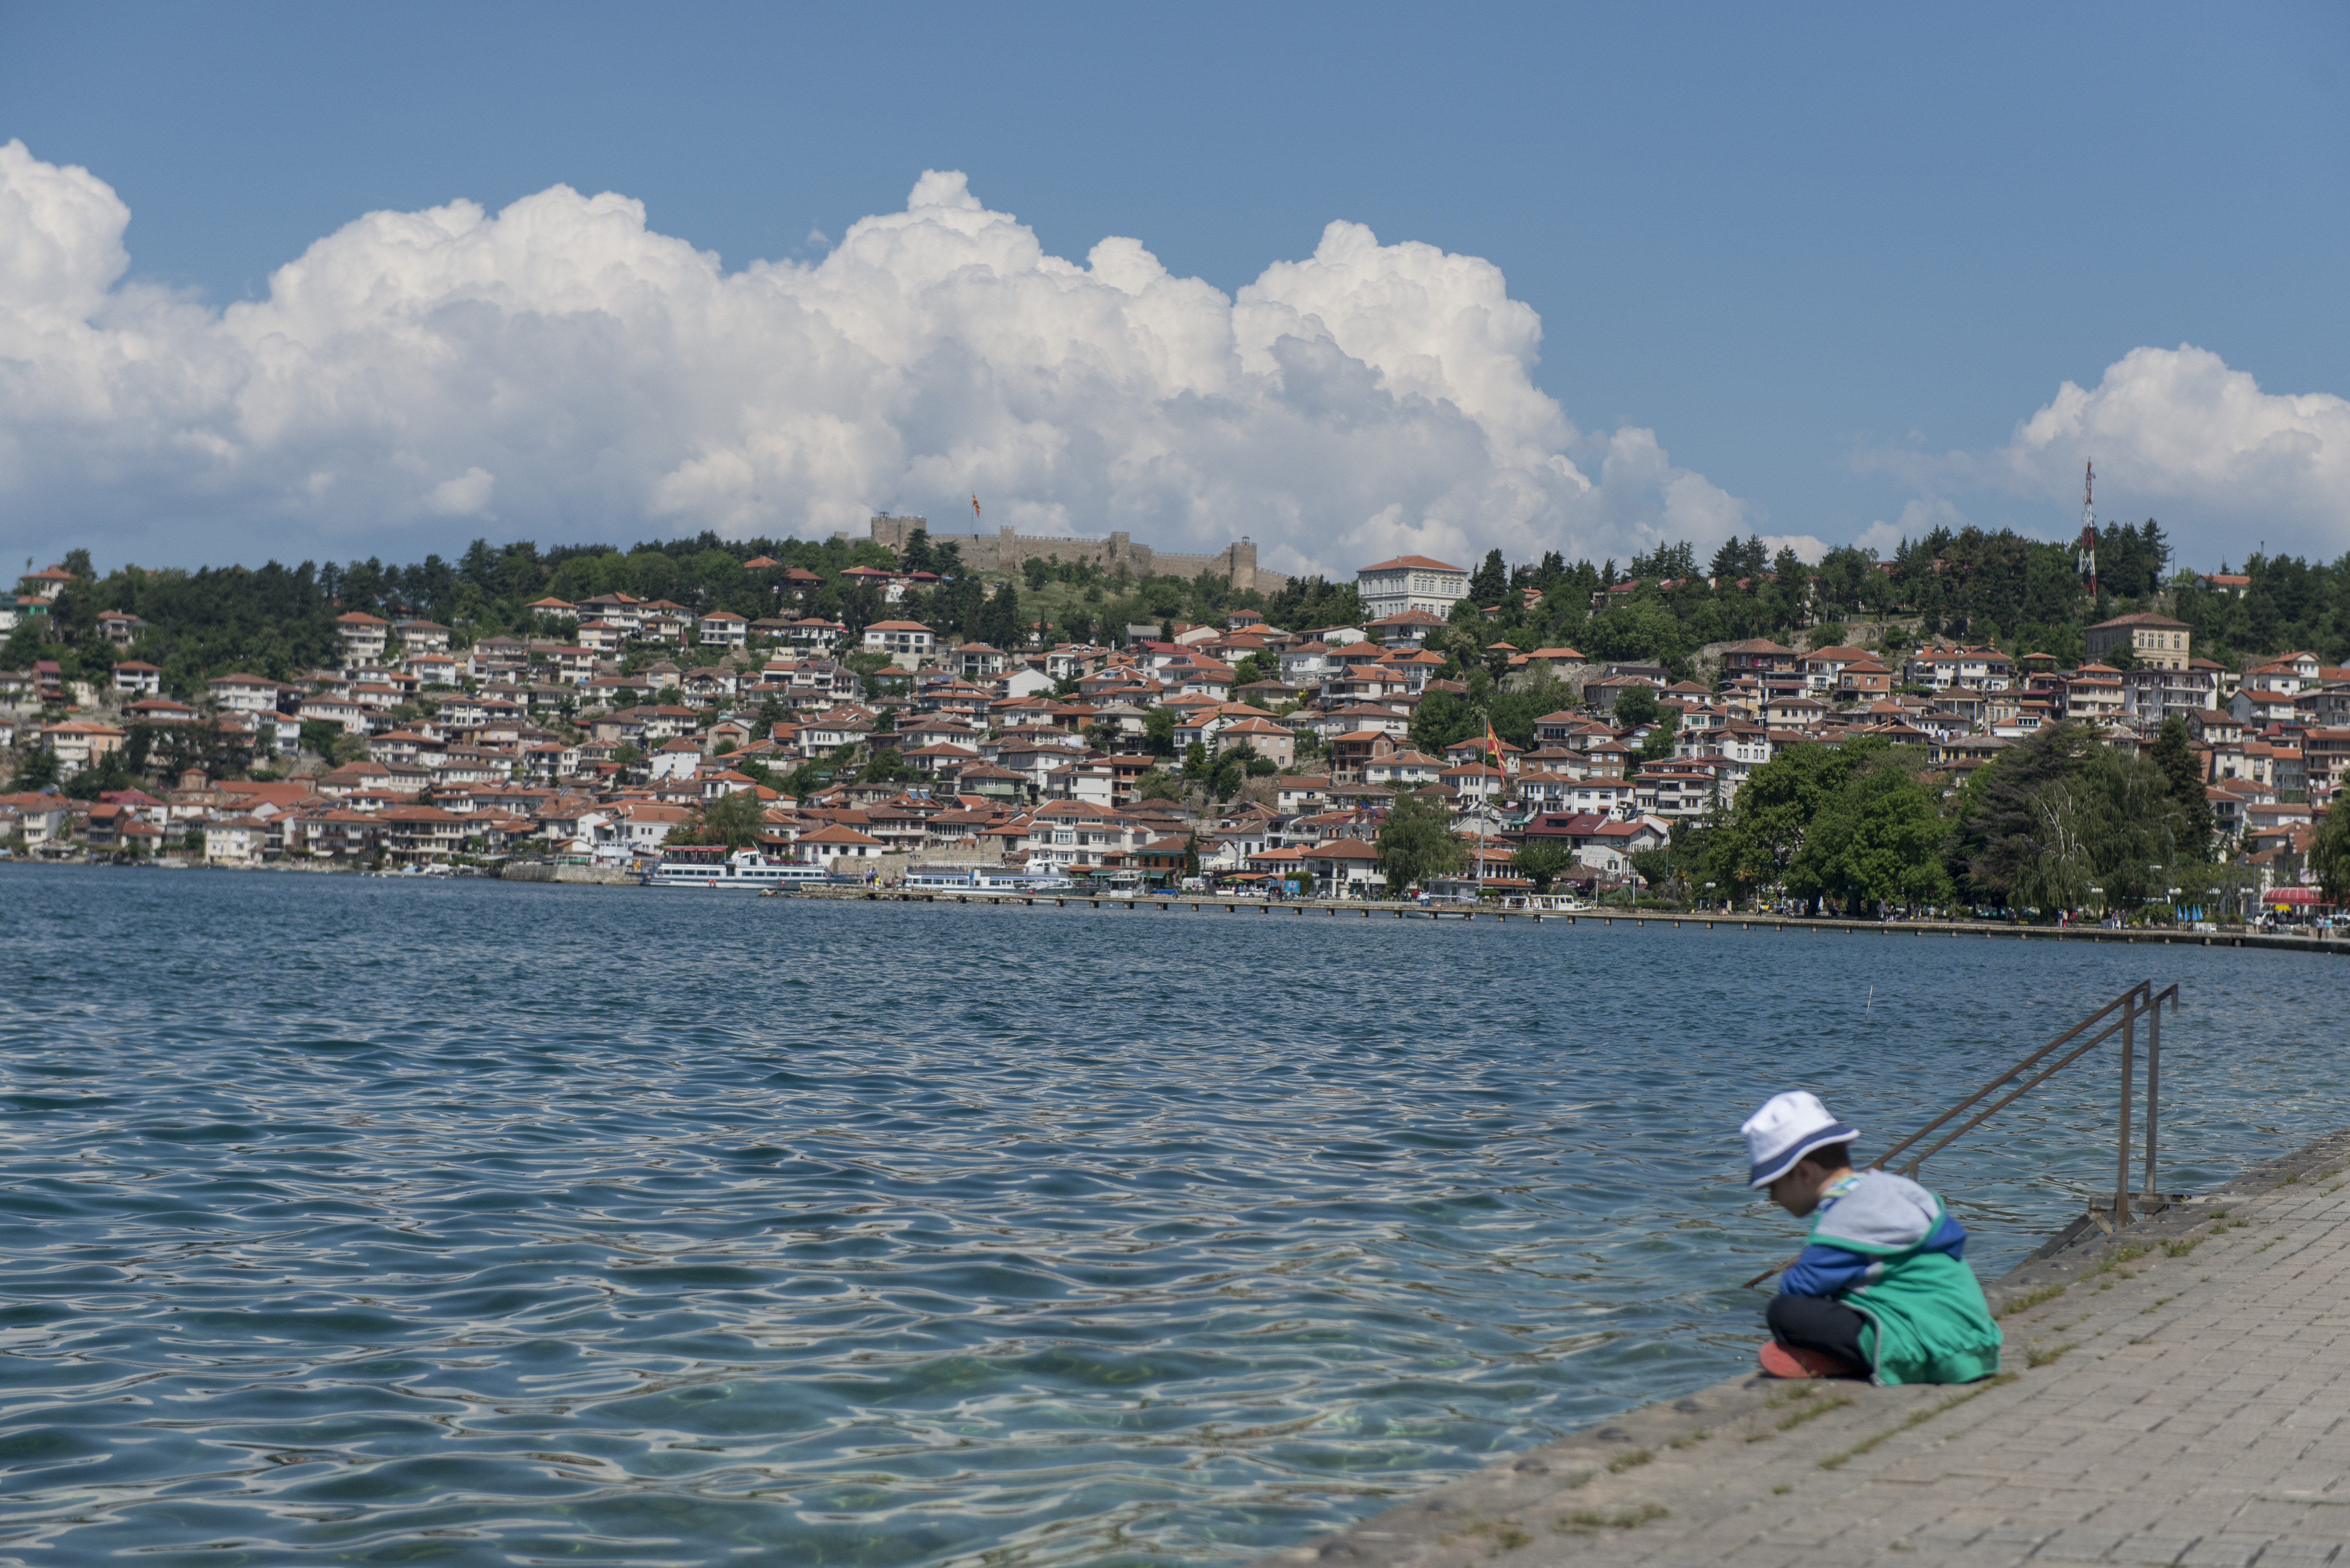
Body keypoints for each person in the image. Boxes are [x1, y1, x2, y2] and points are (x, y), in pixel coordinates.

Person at [1741, 1090, 2003, 1384]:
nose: (1773, 1197)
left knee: (1784, 1312)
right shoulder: (1891, 1191)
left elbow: (1796, 1288)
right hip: (1975, 1341)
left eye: (1773, 1185)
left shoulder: (1846, 1219)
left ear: (1804, 1173)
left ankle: (1862, 1359)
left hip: (1929, 1349)